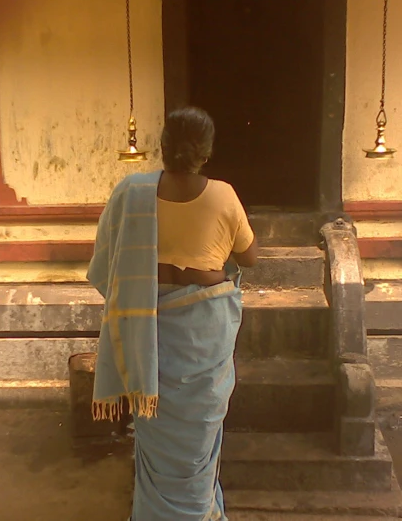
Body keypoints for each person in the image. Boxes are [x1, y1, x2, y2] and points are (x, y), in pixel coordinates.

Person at [87, 106, 258, 520]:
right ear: (207, 152)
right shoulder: (223, 194)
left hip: (148, 334)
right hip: (205, 334)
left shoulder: (131, 192)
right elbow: (249, 258)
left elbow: (104, 267)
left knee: (154, 430)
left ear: (162, 146)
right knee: (200, 437)